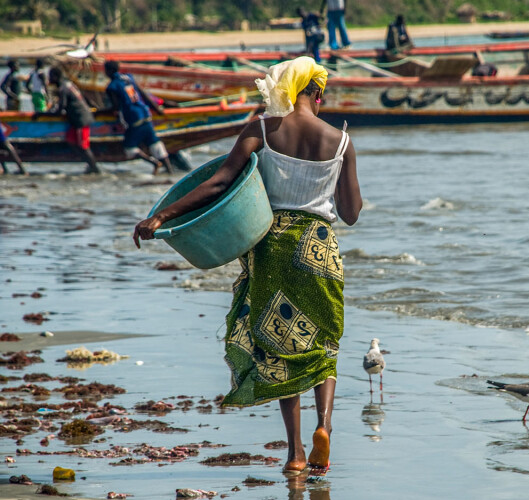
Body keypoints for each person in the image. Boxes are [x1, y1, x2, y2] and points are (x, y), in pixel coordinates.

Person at [132, 56, 362, 475]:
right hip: (320, 249)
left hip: (272, 247)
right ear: (318, 93)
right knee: (324, 343)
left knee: (279, 347)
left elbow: (219, 182)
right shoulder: (341, 141)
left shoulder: (261, 129)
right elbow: (350, 213)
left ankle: (294, 454)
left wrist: (162, 217)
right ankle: (324, 426)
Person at [103, 60, 173, 174]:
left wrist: (99, 112)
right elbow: (143, 93)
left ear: (108, 71)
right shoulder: (129, 77)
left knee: (129, 148)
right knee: (155, 144)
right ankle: (170, 171)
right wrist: (157, 109)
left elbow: (115, 107)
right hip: (145, 114)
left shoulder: (112, 86)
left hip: (133, 118)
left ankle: (154, 163)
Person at [35, 67, 100, 174]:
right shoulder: (68, 85)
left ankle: (95, 169)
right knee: (71, 141)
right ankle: (88, 164)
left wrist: (42, 115)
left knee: (83, 146)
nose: (49, 79)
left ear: (55, 77)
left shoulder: (63, 89)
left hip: (80, 119)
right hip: (75, 120)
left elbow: (60, 110)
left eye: (50, 77)